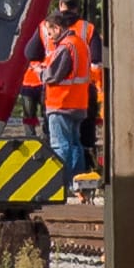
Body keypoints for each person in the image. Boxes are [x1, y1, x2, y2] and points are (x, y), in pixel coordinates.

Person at [40, 11, 91, 180]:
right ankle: (78, 182)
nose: (49, 36)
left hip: (61, 103)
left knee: (60, 146)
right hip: (78, 103)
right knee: (75, 145)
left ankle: (59, 183)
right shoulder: (80, 44)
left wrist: (40, 73)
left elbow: (53, 75)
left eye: (49, 32)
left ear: (57, 28)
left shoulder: (65, 47)